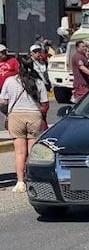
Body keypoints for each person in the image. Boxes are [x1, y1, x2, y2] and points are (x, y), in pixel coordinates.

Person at [0, 55, 50, 193]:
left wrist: (8, 112)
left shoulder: (10, 81)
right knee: (32, 151)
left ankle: (20, 182)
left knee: (19, 153)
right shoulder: (38, 82)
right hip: (34, 115)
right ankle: (33, 179)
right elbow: (45, 103)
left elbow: (3, 101)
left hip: (16, 116)